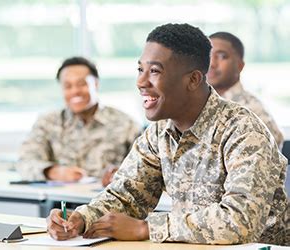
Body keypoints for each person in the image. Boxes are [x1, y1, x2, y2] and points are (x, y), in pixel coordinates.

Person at [47, 24, 289, 245]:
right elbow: (126, 194)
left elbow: (240, 221)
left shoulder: (243, 130)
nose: (141, 82)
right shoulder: (159, 132)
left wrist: (146, 229)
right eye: (140, 69)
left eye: (154, 71)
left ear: (193, 79)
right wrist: (82, 218)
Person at [16, 57, 141, 186]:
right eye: (67, 86)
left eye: (82, 84)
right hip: (60, 202)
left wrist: (121, 175)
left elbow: (145, 169)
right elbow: (24, 162)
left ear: (96, 84)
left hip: (111, 201)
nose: (75, 91)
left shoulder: (126, 125)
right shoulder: (47, 123)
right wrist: (53, 172)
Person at [207, 31, 284, 148]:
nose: (212, 63)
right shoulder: (198, 104)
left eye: (222, 56)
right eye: (208, 55)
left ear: (239, 66)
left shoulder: (254, 113)